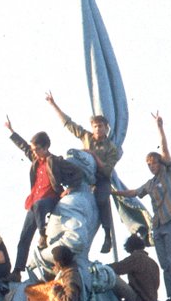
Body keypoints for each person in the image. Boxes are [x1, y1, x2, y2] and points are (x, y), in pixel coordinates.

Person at [114, 112, 171, 301]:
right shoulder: (151, 183)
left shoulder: (169, 174)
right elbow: (134, 192)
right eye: (148, 164)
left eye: (153, 163)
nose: (151, 166)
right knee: (164, 263)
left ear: (160, 162)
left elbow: (165, 150)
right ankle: (170, 297)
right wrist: (114, 191)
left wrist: (160, 127)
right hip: (159, 225)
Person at [4, 120, 83, 280]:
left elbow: (78, 173)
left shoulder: (55, 161)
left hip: (50, 198)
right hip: (35, 202)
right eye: (33, 149)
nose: (34, 152)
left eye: (37, 149)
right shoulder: (35, 160)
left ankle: (43, 235)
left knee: (39, 205)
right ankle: (17, 271)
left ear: (45, 147)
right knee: (24, 237)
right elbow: (25, 147)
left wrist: (70, 189)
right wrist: (12, 132)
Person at [45, 93, 121, 254]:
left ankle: (107, 235)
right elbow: (69, 124)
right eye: (95, 126)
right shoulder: (87, 136)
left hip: (100, 178)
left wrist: (93, 156)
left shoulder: (113, 149)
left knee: (102, 199)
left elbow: (107, 170)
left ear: (106, 128)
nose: (98, 129)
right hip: (82, 175)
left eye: (101, 126)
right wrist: (53, 104)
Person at [111, 235, 160, 301]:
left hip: (140, 300)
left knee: (112, 276)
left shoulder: (137, 257)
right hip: (151, 300)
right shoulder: (152, 262)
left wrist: (103, 266)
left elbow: (118, 268)